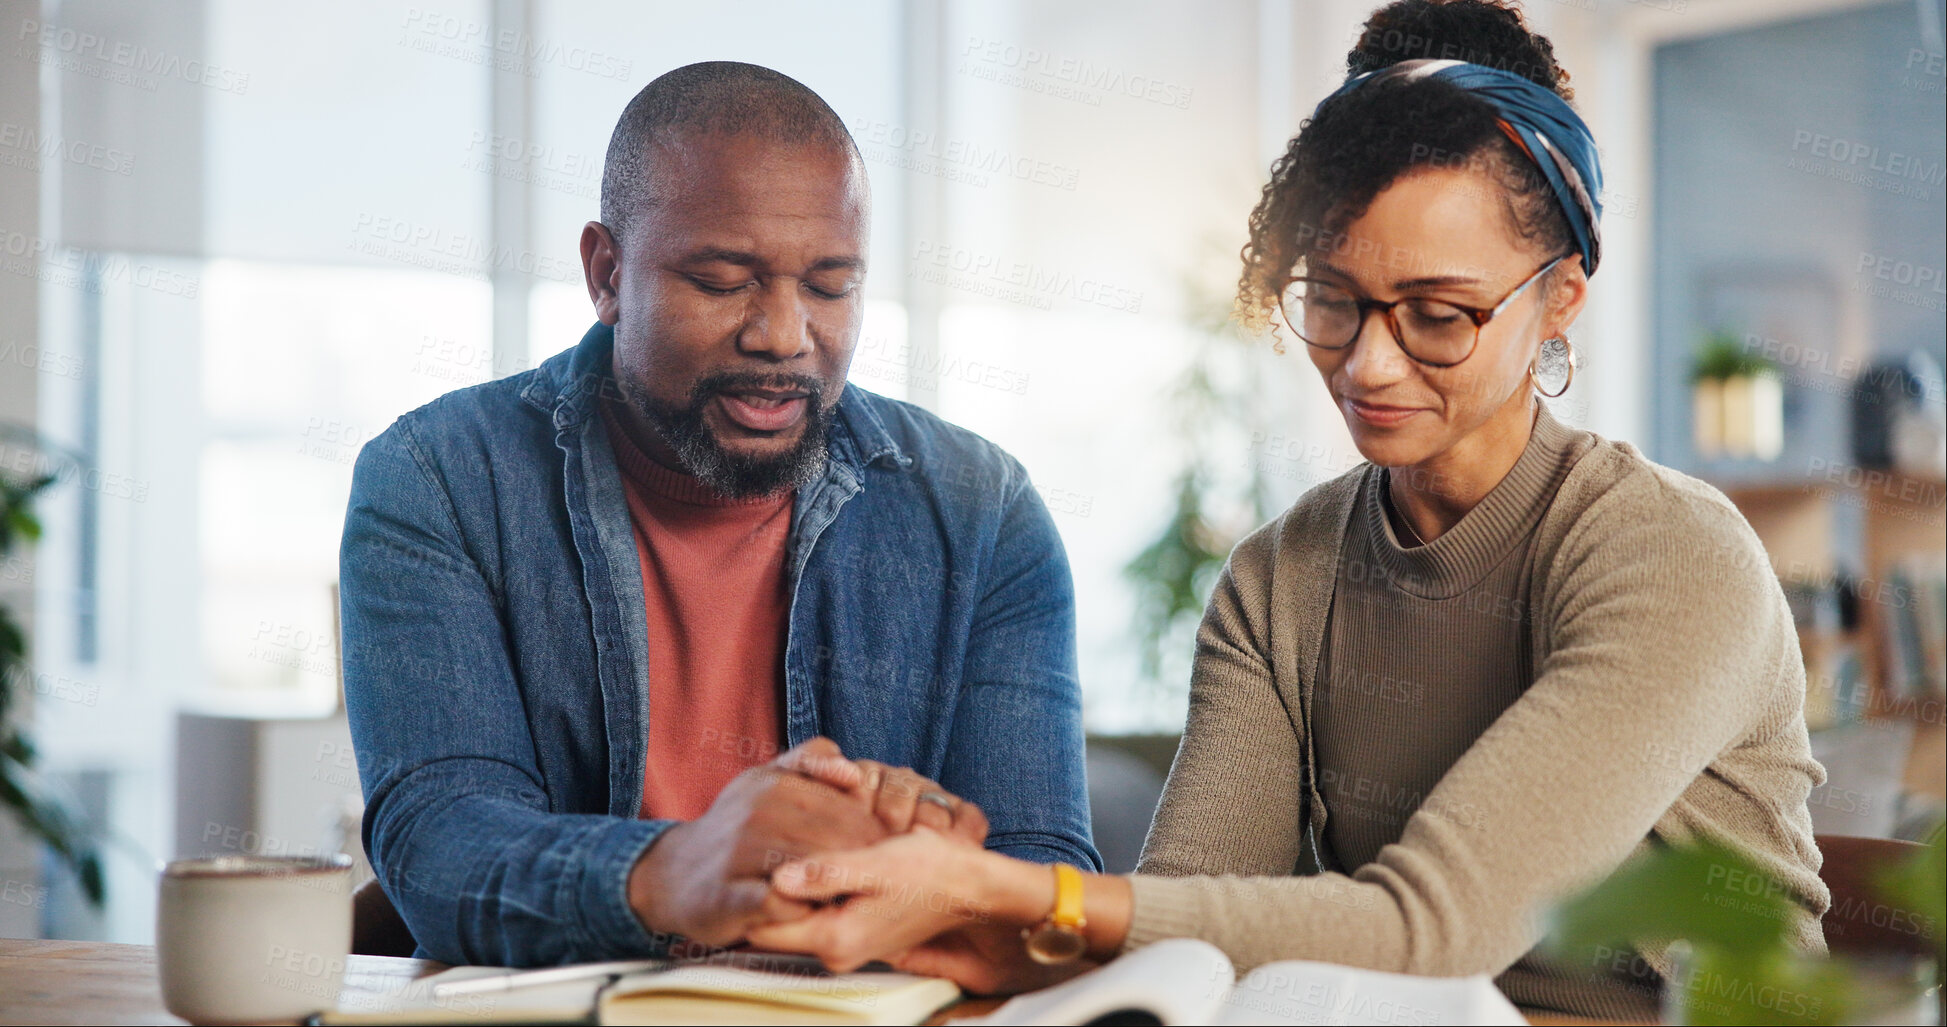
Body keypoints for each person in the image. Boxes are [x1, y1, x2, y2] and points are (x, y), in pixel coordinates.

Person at [744, 3, 1828, 1019]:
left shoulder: (1669, 552)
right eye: (1332, 300)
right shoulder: (1282, 578)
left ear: (1559, 299)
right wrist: (981, 922)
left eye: (1439, 316)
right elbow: (1190, 915)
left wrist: (1033, 897)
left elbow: (1436, 923)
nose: (1369, 363)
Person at [338, 61, 1098, 967]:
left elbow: (1044, 885)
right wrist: (677, 868)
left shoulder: (983, 512)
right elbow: (439, 842)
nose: (782, 335)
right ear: (607, 272)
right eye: (722, 278)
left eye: (828, 285)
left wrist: (925, 875)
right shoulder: (438, 478)